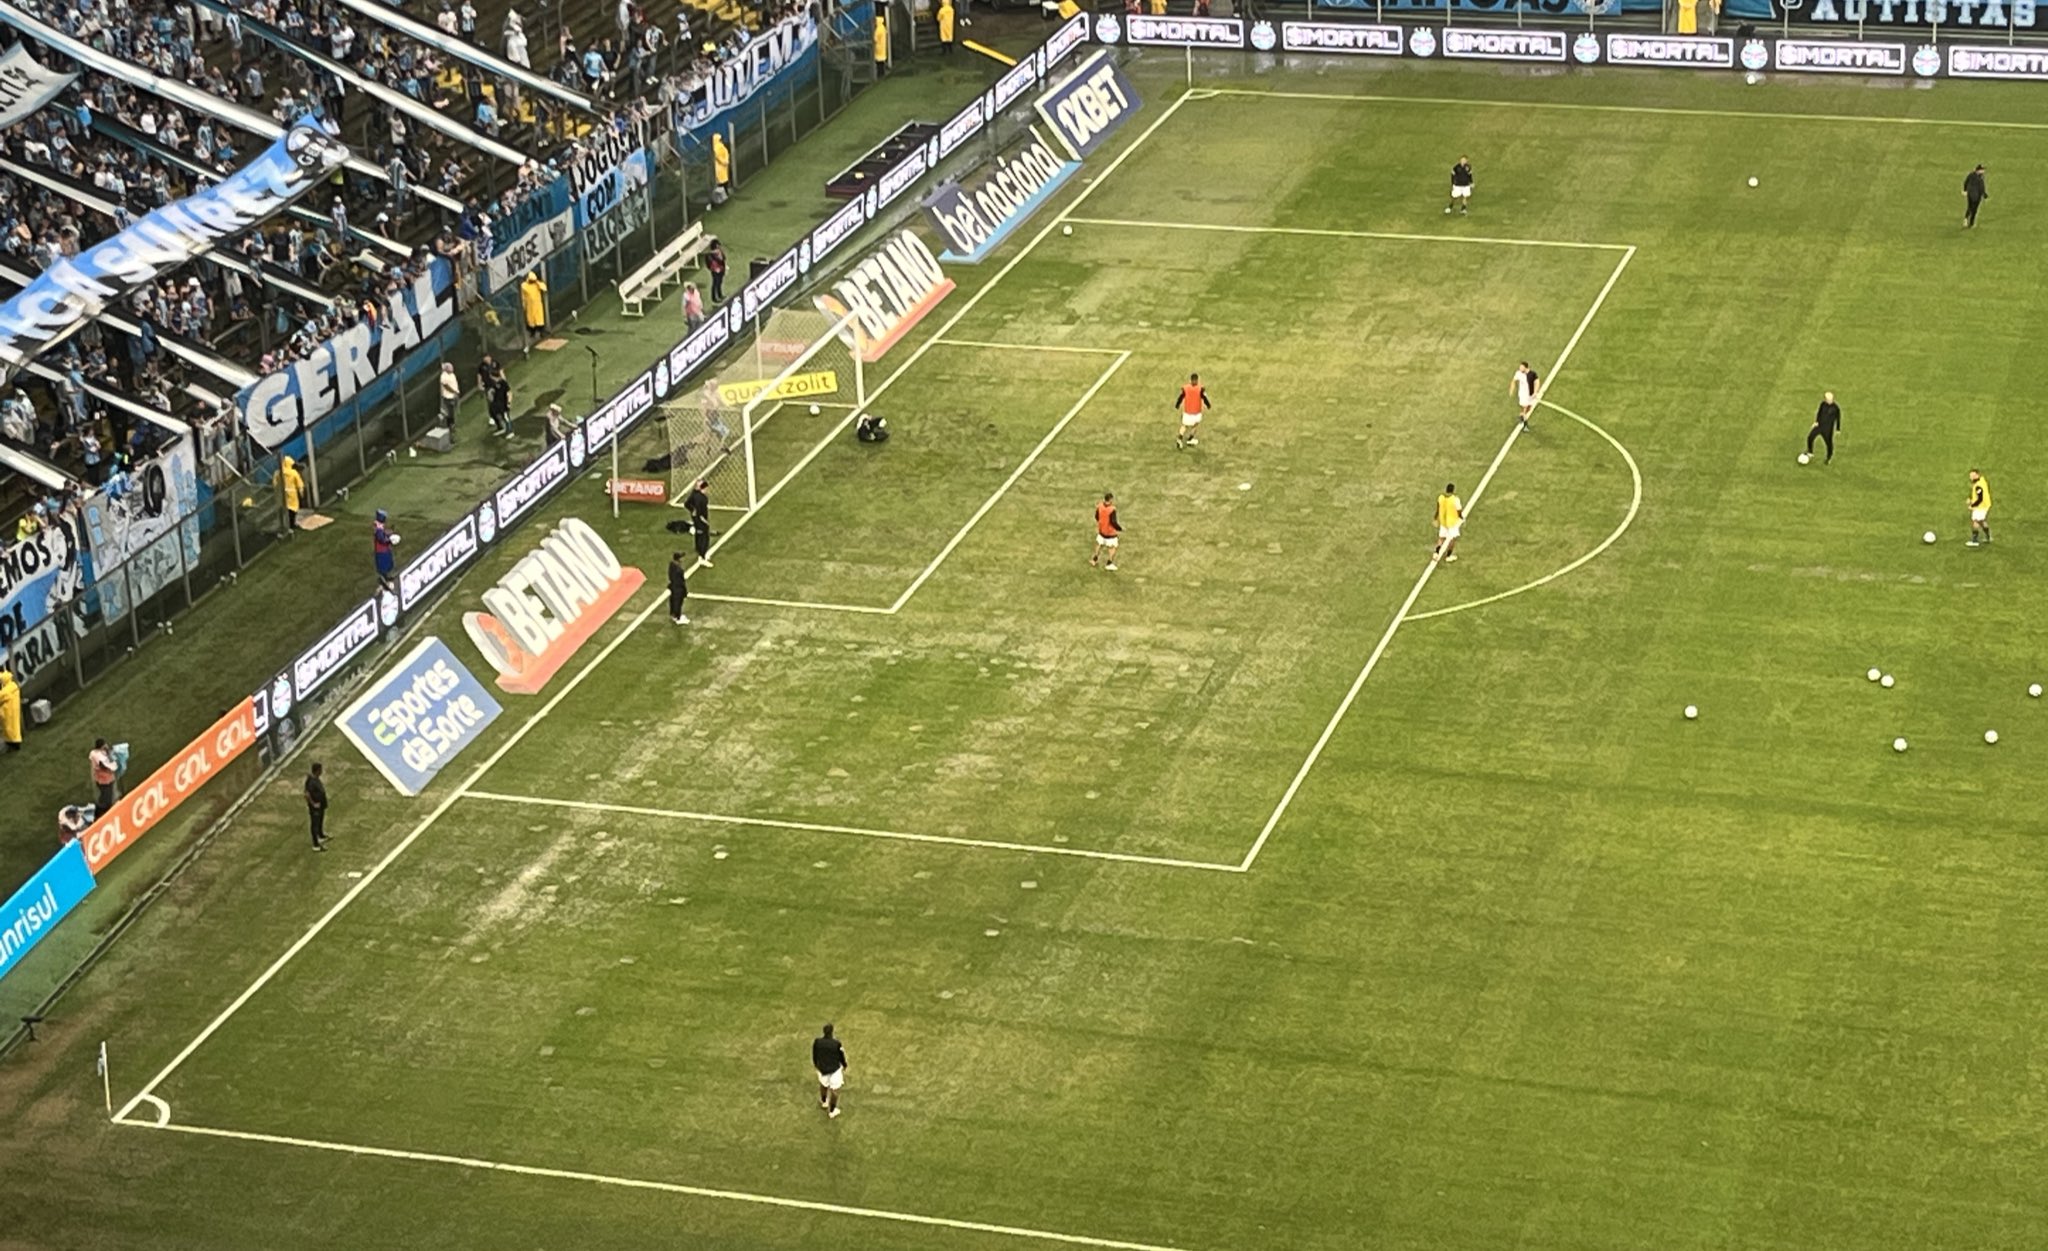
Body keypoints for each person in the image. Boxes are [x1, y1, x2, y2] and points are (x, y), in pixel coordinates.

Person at [813, 1023, 848, 1118]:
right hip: (834, 1070)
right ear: (832, 1032)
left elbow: (815, 1054)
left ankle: (824, 1101)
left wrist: (816, 1065)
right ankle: (832, 1110)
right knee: (835, 1090)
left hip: (822, 1069)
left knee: (823, 1085)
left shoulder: (817, 1042)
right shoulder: (836, 1044)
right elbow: (841, 1056)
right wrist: (845, 1065)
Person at [1174, 372, 1209, 450]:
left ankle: (1180, 439)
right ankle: (1189, 439)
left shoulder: (1186, 388)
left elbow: (1181, 397)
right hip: (1196, 411)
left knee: (1185, 425)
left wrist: (1177, 405)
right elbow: (1204, 398)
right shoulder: (1200, 389)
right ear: (1197, 380)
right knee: (1195, 425)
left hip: (1188, 411)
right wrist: (1208, 405)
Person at [1805, 391, 1841, 464]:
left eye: (1831, 399)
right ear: (1825, 399)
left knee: (1829, 444)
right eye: (1828, 399)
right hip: (1819, 426)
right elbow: (1819, 413)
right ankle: (1810, 452)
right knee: (1810, 437)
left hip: (1828, 429)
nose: (1830, 400)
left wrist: (1838, 428)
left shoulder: (1836, 408)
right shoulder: (1823, 404)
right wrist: (1816, 421)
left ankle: (1829, 457)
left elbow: (1838, 418)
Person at [683, 479, 713, 565]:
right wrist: (704, 521)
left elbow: (687, 504)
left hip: (695, 518)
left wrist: (692, 510)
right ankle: (702, 556)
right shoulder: (702, 498)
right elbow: (700, 512)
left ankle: (699, 550)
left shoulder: (694, 494)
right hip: (700, 520)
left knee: (699, 534)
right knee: (704, 537)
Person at [1432, 482, 1463, 563]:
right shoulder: (1455, 499)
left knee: (1441, 538)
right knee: (1452, 539)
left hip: (1443, 521)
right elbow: (1459, 510)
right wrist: (1461, 517)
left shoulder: (1441, 498)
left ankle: (1436, 553)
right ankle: (1448, 556)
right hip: (1452, 522)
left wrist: (1435, 518)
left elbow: (1438, 509)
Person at [1090, 491, 1121, 572]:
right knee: (1113, 547)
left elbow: (1096, 517)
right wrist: (1119, 528)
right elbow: (1113, 522)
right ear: (1110, 500)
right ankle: (1109, 563)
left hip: (1101, 530)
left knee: (1099, 544)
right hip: (1110, 533)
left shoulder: (1099, 506)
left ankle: (1094, 559)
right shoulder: (1112, 509)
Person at [373, 510, 401, 589]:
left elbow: (383, 533)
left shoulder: (379, 526)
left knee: (387, 563)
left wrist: (389, 533)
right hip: (381, 550)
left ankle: (386, 577)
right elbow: (381, 539)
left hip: (384, 549)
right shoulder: (378, 528)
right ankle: (383, 579)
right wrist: (390, 540)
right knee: (383, 565)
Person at [1966, 469, 1993, 547]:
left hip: (1981, 506)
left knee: (1975, 521)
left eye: (1973, 475)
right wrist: (1971, 498)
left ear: (1977, 475)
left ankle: (1975, 541)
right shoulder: (1982, 480)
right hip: (1986, 504)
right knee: (1981, 521)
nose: (1971, 477)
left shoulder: (1978, 486)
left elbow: (1980, 499)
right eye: (1970, 476)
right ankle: (1988, 537)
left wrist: (1972, 506)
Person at [305, 761, 329, 851]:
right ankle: (316, 845)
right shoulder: (311, 781)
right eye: (320, 770)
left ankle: (321, 835)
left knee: (320, 821)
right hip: (315, 807)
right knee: (314, 824)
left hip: (321, 805)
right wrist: (313, 804)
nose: (322, 771)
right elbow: (307, 794)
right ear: (317, 770)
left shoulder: (316, 779)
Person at [90, 738, 119, 811]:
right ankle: (103, 811)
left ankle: (101, 808)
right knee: (107, 798)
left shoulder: (94, 753)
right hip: (104, 780)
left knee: (104, 796)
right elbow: (104, 765)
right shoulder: (98, 756)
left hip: (103, 779)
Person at [520, 270, 549, 342]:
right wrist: (524, 305)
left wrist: (537, 282)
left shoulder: (537, 284)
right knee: (531, 320)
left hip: (538, 304)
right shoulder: (524, 285)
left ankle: (541, 332)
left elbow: (544, 288)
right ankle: (532, 333)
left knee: (539, 319)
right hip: (529, 306)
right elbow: (523, 296)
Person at [279, 454, 305, 533]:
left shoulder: (279, 473)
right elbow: (299, 483)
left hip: (283, 494)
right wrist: (301, 491)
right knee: (293, 509)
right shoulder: (293, 473)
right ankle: (292, 525)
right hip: (292, 493)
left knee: (286, 510)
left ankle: (286, 525)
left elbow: (275, 483)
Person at [0, 663, 21, 752]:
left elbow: (3, 696)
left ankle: (13, 745)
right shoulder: (12, 684)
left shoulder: (6, 689)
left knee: (10, 729)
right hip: (12, 709)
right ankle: (13, 744)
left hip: (8, 711)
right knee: (12, 727)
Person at [1513, 361, 1539, 426]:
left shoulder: (1532, 374)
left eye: (1521, 367)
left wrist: (1535, 392)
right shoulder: (1519, 374)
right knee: (1524, 405)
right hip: (1523, 394)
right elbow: (1514, 380)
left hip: (1531, 395)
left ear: (1525, 367)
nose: (1520, 368)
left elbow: (1537, 382)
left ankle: (1522, 414)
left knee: (1529, 407)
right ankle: (1522, 416)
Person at [667, 551, 690, 624]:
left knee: (673, 600)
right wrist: (684, 590)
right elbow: (681, 581)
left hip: (673, 586)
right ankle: (677, 617)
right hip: (678, 587)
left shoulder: (672, 565)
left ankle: (673, 614)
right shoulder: (679, 570)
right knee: (678, 602)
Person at [1963, 163, 1988, 229]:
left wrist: (1984, 194)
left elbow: (1982, 186)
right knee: (1971, 208)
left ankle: (1971, 223)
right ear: (1978, 170)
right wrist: (1965, 190)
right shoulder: (1972, 175)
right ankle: (1967, 219)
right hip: (1973, 195)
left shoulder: (1980, 176)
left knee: (1974, 209)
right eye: (1982, 170)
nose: (1983, 171)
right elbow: (1966, 182)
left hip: (1977, 195)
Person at [711, 131, 731, 203]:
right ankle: (722, 197)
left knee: (723, 181)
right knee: (722, 182)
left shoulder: (718, 147)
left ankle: (724, 196)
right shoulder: (717, 148)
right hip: (720, 167)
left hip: (722, 167)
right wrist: (725, 161)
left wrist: (725, 161)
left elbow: (725, 153)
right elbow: (719, 157)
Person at [704, 238, 727, 303]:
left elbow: (723, 259)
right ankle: (714, 298)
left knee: (719, 283)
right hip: (715, 270)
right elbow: (709, 263)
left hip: (721, 269)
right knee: (715, 283)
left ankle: (720, 295)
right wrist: (713, 268)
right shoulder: (710, 255)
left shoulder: (720, 251)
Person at [438, 362, 461, 426]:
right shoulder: (443, 376)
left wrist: (456, 391)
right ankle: (450, 424)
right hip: (448, 397)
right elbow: (446, 386)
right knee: (450, 412)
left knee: (454, 410)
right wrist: (454, 391)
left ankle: (453, 423)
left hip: (454, 395)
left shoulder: (452, 375)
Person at [873, 10, 889, 76]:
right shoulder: (883, 27)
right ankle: (883, 73)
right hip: (883, 46)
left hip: (878, 47)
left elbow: (875, 39)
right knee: (882, 61)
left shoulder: (878, 29)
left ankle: (880, 74)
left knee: (878, 62)